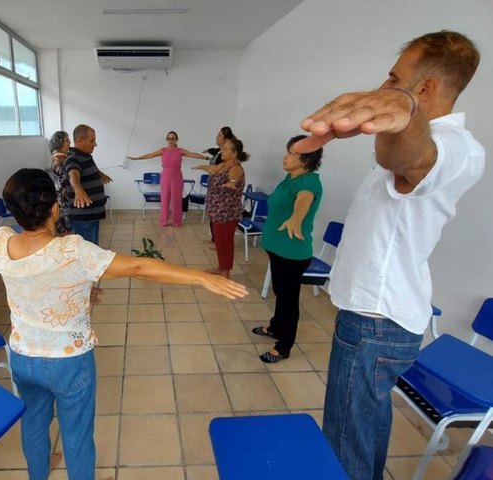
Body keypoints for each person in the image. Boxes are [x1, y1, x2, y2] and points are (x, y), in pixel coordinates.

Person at [0, 168, 249, 480]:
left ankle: (38, 474)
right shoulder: (73, 250)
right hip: (68, 361)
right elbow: (139, 267)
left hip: (22, 357)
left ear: (14, 213)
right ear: (55, 208)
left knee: (33, 423)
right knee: (76, 435)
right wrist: (200, 277)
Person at [293, 31, 484, 480]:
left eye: (396, 78)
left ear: (425, 88)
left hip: (375, 321)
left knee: (346, 442)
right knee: (364, 429)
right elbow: (400, 156)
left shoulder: (457, 148)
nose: (384, 84)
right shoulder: (432, 139)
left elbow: (413, 159)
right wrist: (400, 113)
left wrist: (404, 113)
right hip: (375, 316)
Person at [251, 135, 323, 363]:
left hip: (292, 252)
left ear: (306, 159)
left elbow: (303, 201)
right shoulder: (290, 178)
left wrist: (296, 218)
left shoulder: (309, 182)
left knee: (288, 300)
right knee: (280, 293)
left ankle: (284, 346)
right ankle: (275, 327)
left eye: (292, 153)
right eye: (288, 151)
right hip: (277, 249)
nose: (286, 156)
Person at [192, 137, 249, 278]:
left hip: (227, 213)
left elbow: (234, 177)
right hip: (217, 211)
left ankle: (225, 272)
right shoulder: (224, 165)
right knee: (219, 242)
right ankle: (220, 267)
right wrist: (203, 167)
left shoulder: (235, 168)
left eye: (225, 149)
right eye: (222, 148)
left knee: (225, 242)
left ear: (235, 153)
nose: (221, 151)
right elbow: (213, 169)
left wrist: (232, 182)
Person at [129, 131, 208, 227]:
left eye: (173, 138)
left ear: (176, 140)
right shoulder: (163, 150)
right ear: (167, 140)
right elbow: (150, 155)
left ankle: (177, 221)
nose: (171, 140)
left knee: (177, 199)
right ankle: (164, 221)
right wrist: (137, 158)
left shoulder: (180, 151)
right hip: (165, 176)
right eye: (169, 138)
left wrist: (207, 158)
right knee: (165, 199)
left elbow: (194, 154)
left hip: (177, 176)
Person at [63, 124, 112, 245]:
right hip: (84, 218)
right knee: (88, 254)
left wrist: (100, 174)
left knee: (92, 249)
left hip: (91, 216)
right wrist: (78, 189)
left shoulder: (84, 157)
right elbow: (73, 173)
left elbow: (82, 171)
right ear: (79, 140)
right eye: (92, 140)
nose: (95, 144)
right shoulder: (73, 158)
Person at [48, 130, 71, 234]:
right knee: (66, 233)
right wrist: (57, 160)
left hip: (69, 199)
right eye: (67, 140)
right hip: (62, 201)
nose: (70, 142)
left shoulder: (69, 154)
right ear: (59, 143)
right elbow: (55, 160)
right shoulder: (57, 155)